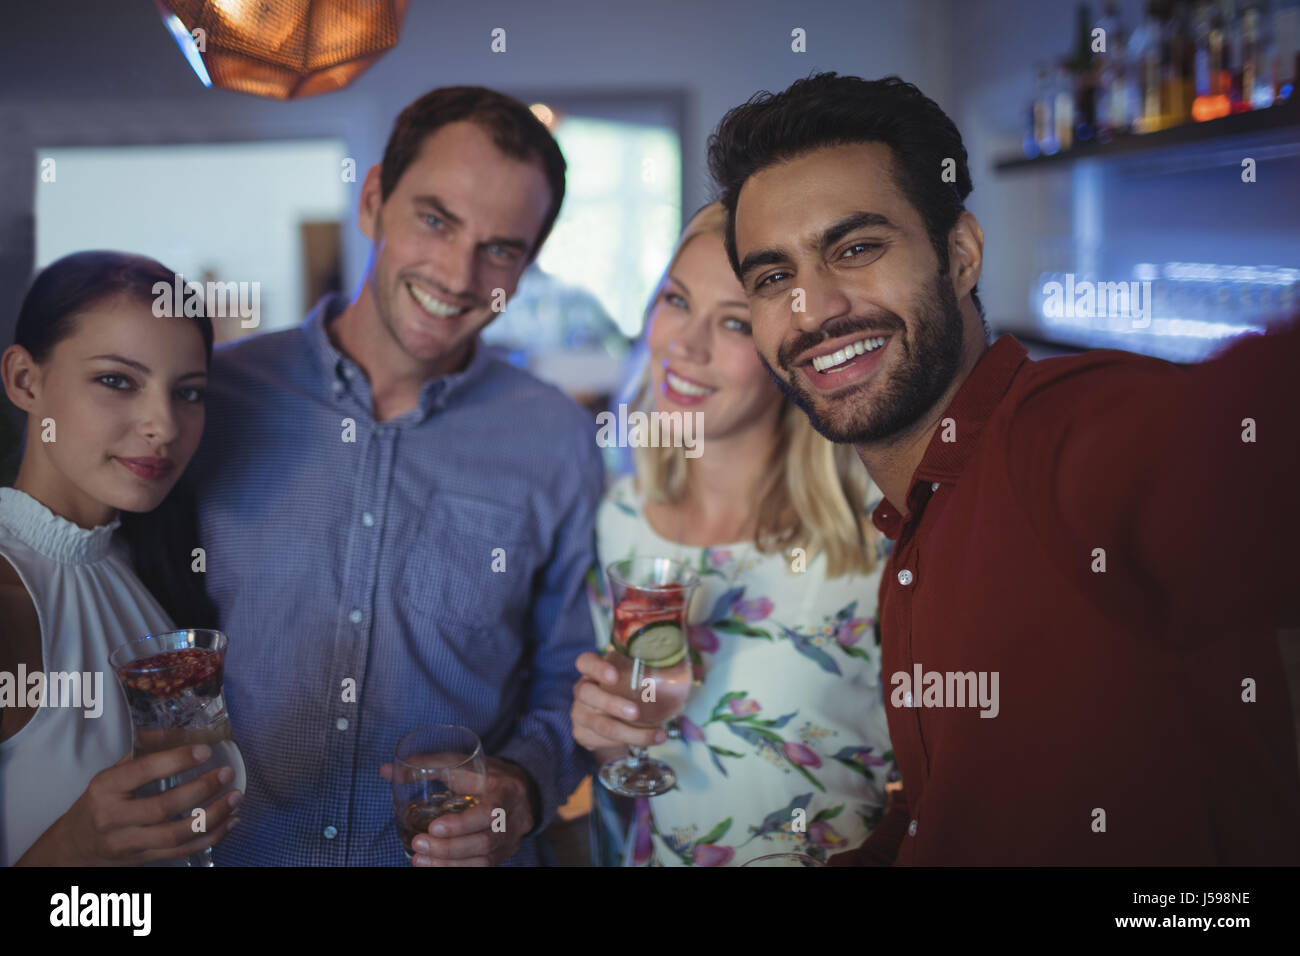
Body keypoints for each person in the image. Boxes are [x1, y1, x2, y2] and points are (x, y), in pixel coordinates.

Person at [706, 72, 1300, 865]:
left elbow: (1233, 449)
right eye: (775, 277)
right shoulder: (910, 538)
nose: (814, 308)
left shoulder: (1061, 432)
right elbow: (942, 816)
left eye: (856, 249)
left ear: (959, 254)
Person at [189, 86, 605, 866]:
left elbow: (572, 676)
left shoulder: (557, 441)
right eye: (436, 219)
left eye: (501, 248)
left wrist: (524, 784)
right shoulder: (214, 401)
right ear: (375, 198)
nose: (457, 273)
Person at [571, 203, 895, 866]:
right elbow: (633, 762)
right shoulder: (620, 517)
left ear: (790, 346)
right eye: (676, 300)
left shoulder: (874, 527)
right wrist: (604, 734)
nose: (685, 345)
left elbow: (945, 778)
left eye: (734, 323)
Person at [0, 251, 241, 866]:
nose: (163, 424)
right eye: (117, 380)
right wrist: (74, 846)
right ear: (26, 380)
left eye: (188, 392)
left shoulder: (154, 563)